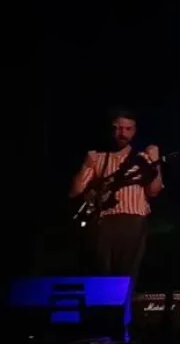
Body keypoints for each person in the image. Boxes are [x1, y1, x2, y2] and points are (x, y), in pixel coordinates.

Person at [70, 109, 164, 285]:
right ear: (111, 130)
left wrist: (156, 163)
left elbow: (153, 191)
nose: (122, 133)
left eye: (128, 129)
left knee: (127, 277)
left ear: (134, 131)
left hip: (133, 221)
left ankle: (123, 310)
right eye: (118, 128)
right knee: (102, 276)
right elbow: (76, 191)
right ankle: (103, 310)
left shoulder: (142, 158)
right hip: (104, 221)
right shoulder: (98, 157)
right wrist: (86, 165)